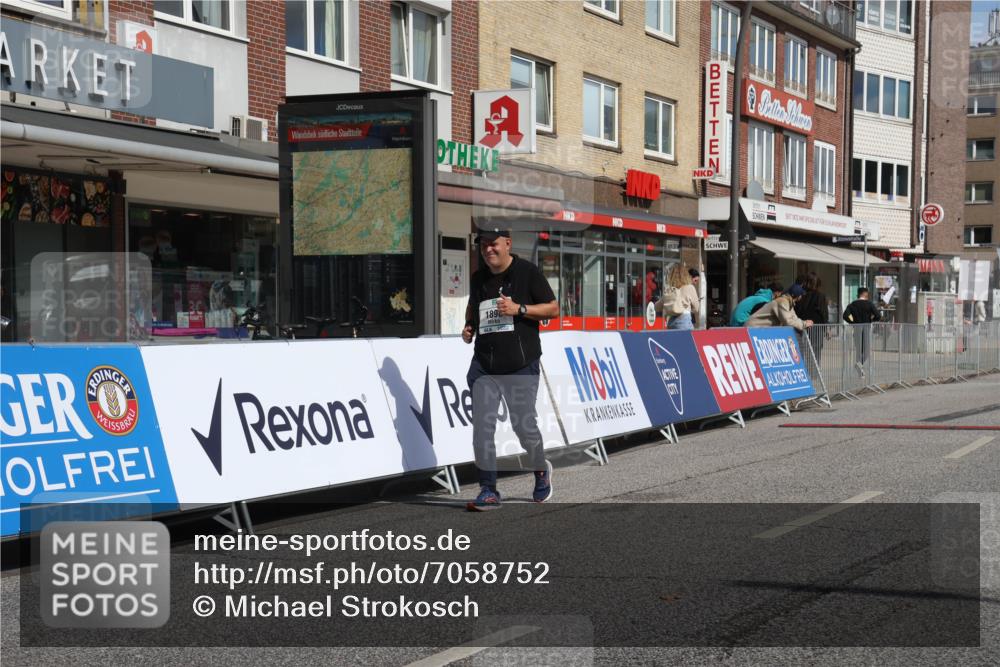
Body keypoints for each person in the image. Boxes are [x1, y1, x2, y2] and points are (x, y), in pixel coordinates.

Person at [462, 228, 559, 511]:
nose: (488, 250)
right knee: (482, 426)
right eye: (483, 246)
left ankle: (541, 469)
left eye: (493, 244)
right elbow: (474, 307)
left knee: (523, 425)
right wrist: (469, 327)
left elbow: (553, 309)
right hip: (484, 364)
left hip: (520, 363)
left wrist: (521, 310)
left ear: (507, 244)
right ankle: (488, 490)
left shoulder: (527, 272)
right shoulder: (479, 277)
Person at [843, 287, 881, 376]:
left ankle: (860, 369)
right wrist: (871, 320)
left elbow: (845, 315)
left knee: (859, 350)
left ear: (858, 294)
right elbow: (878, 316)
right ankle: (859, 366)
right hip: (866, 329)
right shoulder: (869, 304)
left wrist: (852, 322)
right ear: (865, 294)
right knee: (866, 351)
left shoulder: (853, 304)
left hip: (856, 329)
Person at [745, 283, 813, 332]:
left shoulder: (789, 303)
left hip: (759, 329)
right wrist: (804, 324)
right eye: (800, 295)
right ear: (796, 295)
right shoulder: (782, 302)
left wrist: (804, 322)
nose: (801, 297)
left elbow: (794, 318)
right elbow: (787, 321)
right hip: (753, 328)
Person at [795, 272, 829, 362]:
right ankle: (813, 374)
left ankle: (803, 373)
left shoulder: (800, 295)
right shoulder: (820, 296)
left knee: (800, 352)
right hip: (816, 329)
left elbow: (795, 311)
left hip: (800, 327)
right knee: (815, 354)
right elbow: (824, 313)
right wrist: (826, 329)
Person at [654, 263, 700, 330]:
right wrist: (687, 307)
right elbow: (696, 308)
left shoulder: (670, 290)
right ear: (686, 275)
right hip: (684, 322)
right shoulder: (689, 287)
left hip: (671, 323)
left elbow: (657, 307)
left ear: (671, 276)